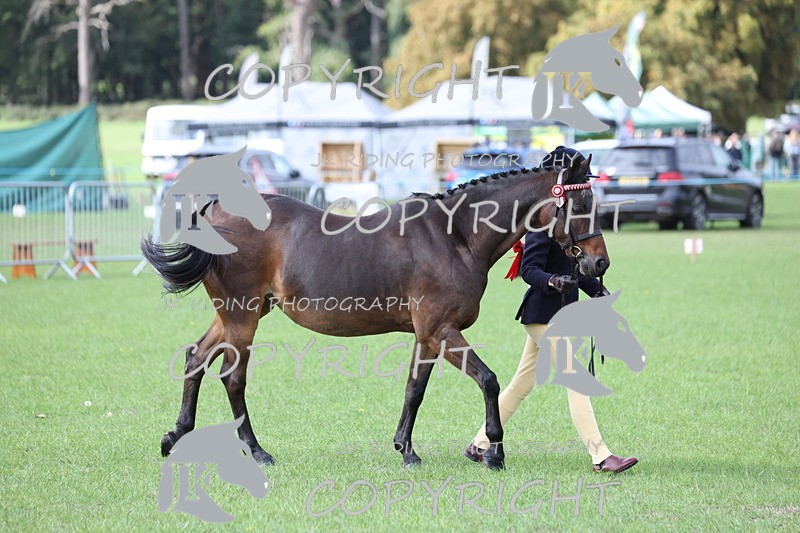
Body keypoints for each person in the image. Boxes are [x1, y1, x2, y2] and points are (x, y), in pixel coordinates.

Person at [464, 146, 638, 474]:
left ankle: (479, 445)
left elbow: (576, 267)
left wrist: (596, 290)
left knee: (521, 384)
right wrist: (553, 282)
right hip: (543, 314)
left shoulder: (568, 219)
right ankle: (601, 456)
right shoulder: (542, 223)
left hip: (557, 314)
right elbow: (530, 271)